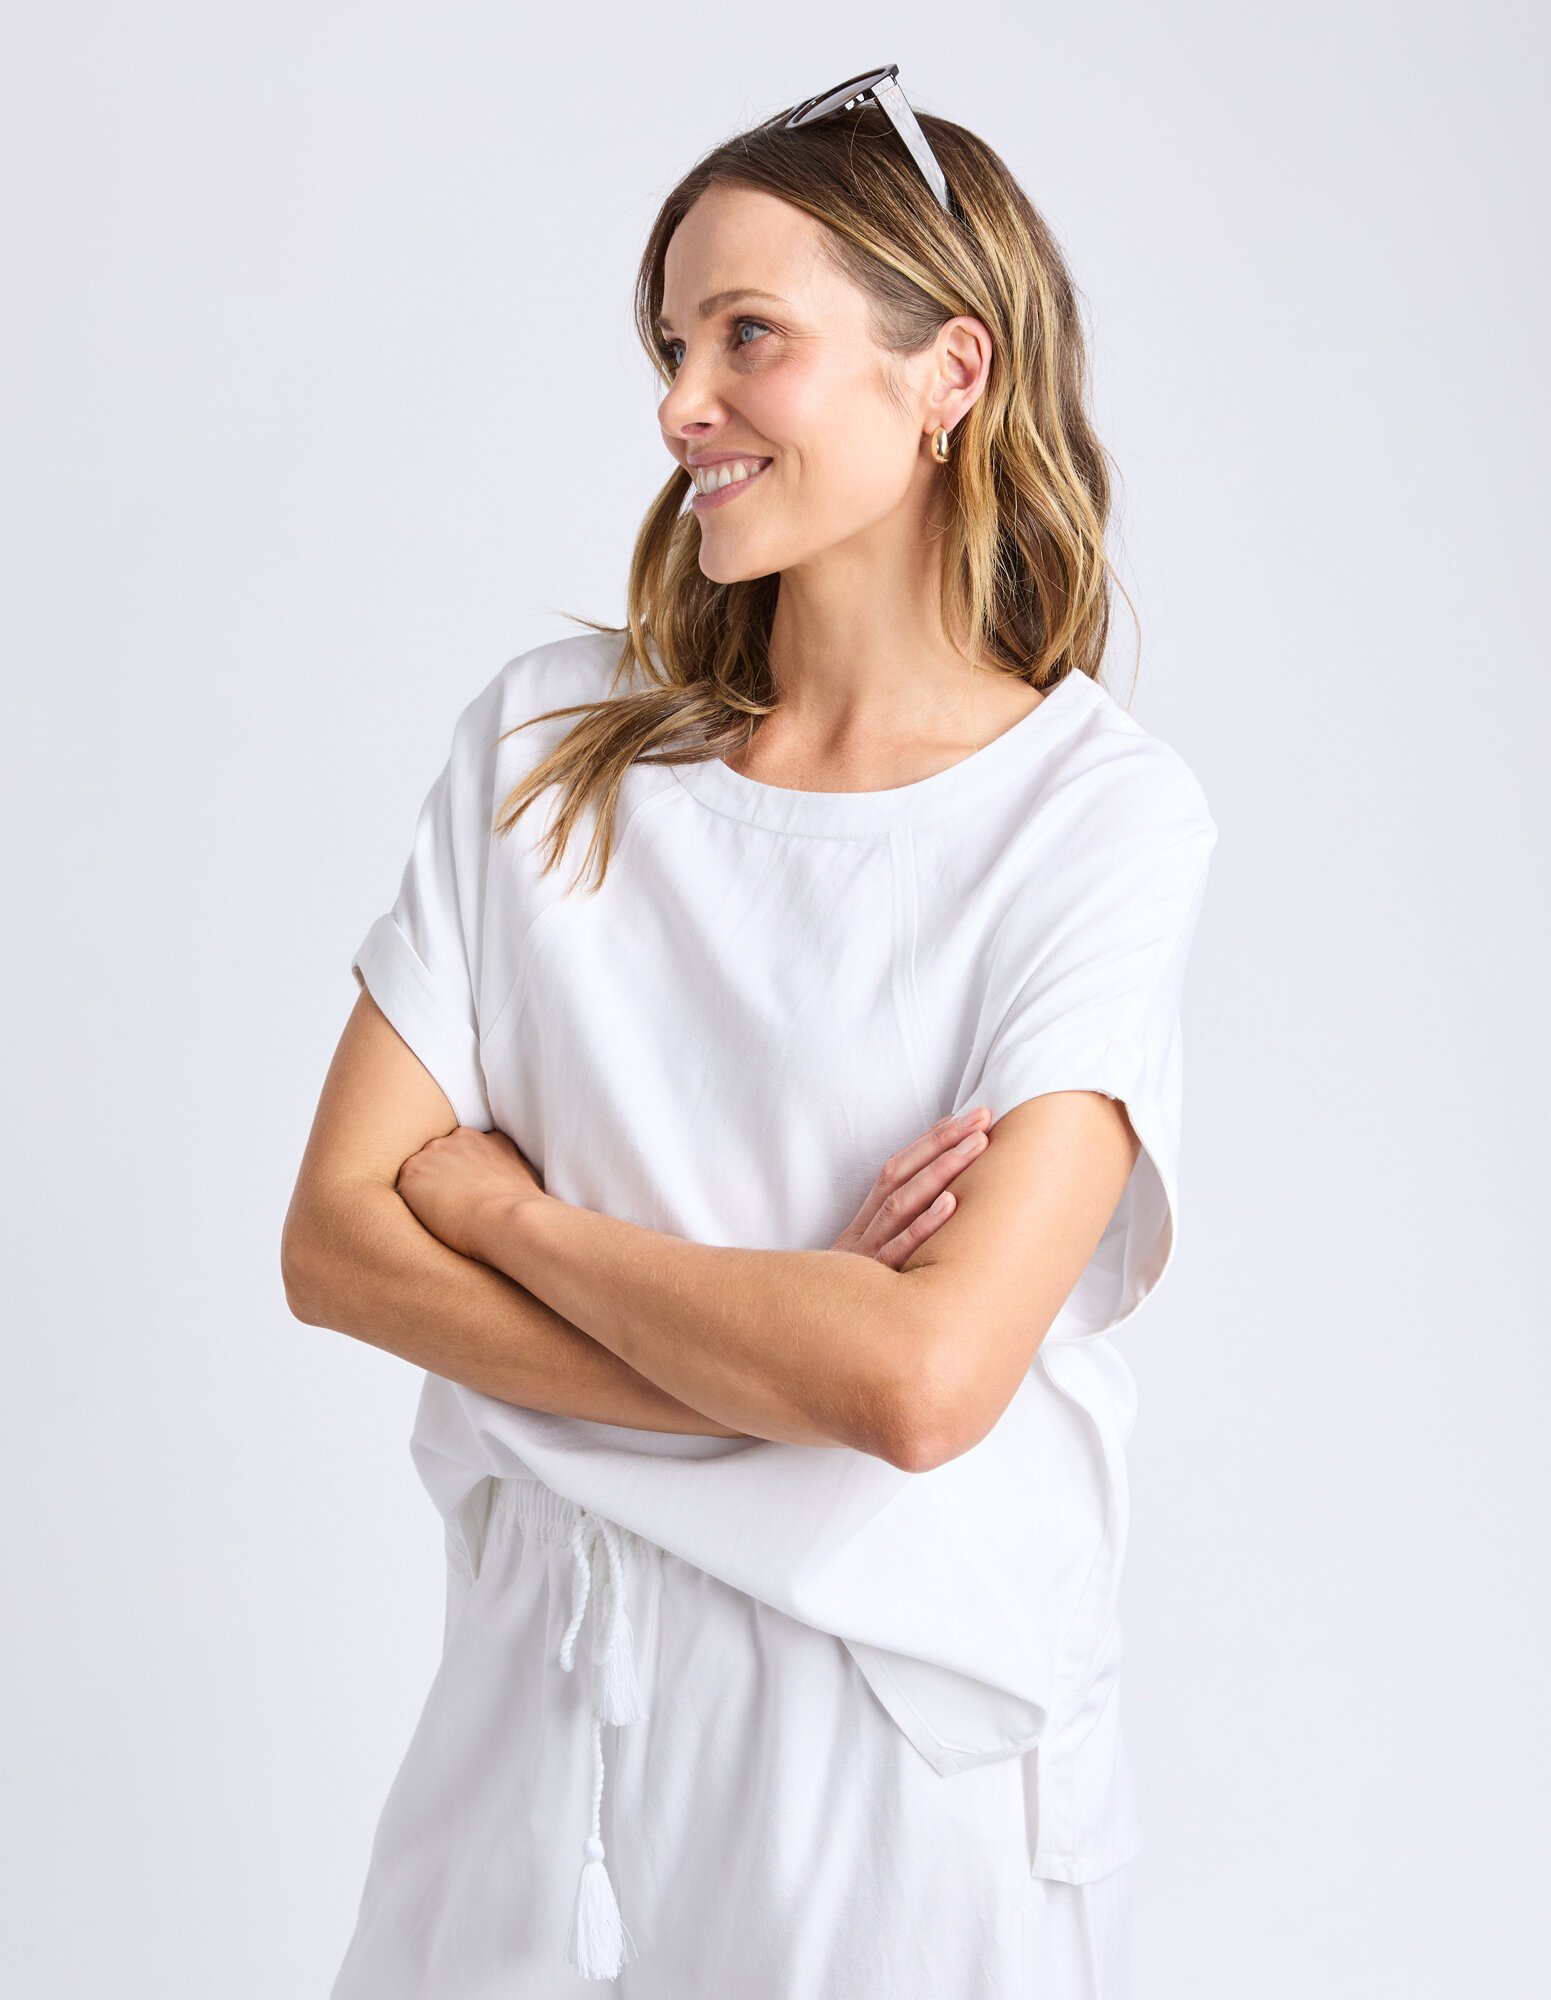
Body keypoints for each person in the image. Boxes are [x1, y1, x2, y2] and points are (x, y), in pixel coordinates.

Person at [283, 68, 1219, 1999]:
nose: (678, 404)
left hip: (894, 1762)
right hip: (538, 1722)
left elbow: (925, 1385)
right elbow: (335, 1245)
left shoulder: (1094, 818)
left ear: (948, 371)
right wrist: (783, 1346)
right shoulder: (547, 749)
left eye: (746, 337)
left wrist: (512, 1220)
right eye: (671, 345)